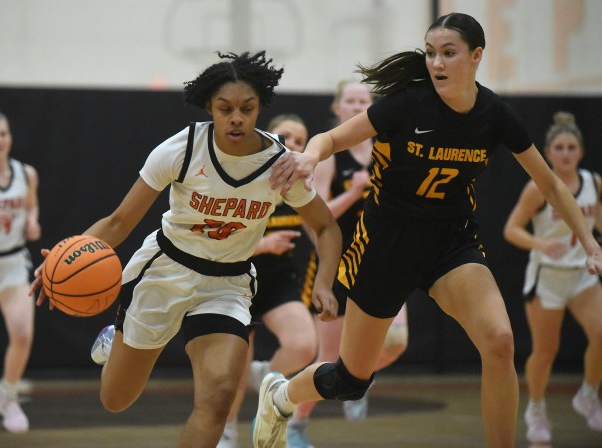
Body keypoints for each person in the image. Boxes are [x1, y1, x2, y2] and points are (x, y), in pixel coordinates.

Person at [252, 13, 602, 448]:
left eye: (448, 53)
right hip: (386, 244)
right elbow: (332, 138)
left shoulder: (495, 114)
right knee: (351, 378)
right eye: (432, 53)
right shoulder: (408, 103)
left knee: (499, 342)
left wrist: (590, 242)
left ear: (476, 57)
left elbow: (549, 182)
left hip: (451, 242)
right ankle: (281, 395)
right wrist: (310, 157)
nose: (436, 62)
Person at [31, 51, 342, 448]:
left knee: (216, 400)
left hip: (226, 284)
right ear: (210, 107)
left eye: (246, 109)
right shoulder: (183, 148)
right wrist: (62, 257)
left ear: (259, 107)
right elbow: (118, 222)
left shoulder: (278, 164)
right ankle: (116, 337)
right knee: (116, 400)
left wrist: (326, 283)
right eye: (224, 108)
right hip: (166, 270)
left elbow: (326, 226)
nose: (236, 118)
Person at [286, 80, 408, 448]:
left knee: (397, 341)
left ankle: (361, 377)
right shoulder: (327, 155)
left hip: (381, 263)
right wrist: (354, 192)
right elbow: (315, 219)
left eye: (363, 101)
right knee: (329, 358)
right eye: (350, 101)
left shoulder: (388, 151)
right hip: (338, 264)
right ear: (337, 109)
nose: (356, 107)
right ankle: (296, 422)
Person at [217, 114, 318, 448]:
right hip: (237, 280)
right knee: (233, 372)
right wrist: (262, 245)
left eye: (301, 140)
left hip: (278, 282)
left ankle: (266, 379)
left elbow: (321, 229)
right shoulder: (247, 176)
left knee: (304, 344)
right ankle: (227, 432)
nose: (293, 144)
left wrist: (333, 274)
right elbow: (219, 238)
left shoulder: (300, 185)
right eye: (286, 136)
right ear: (270, 138)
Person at [503, 111, 602, 444]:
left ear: (581, 151)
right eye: (558, 147)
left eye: (571, 146)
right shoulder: (537, 188)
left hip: (583, 276)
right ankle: (536, 408)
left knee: (601, 334)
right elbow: (511, 229)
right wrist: (542, 242)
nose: (565, 153)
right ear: (548, 152)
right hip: (547, 278)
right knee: (546, 351)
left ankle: (588, 394)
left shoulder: (593, 183)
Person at [0, 111, 41, 433]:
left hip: (12, 261)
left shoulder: (25, 173)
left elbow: (31, 206)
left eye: (2, 133)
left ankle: (8, 395)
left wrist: (32, 220)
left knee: (22, 333)